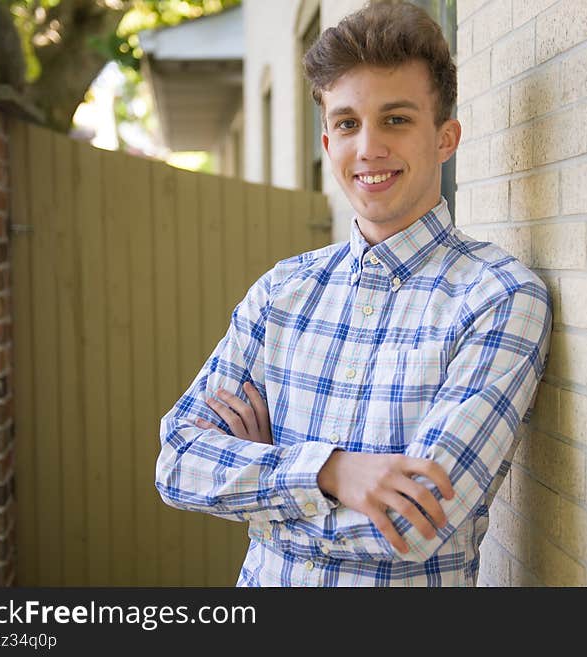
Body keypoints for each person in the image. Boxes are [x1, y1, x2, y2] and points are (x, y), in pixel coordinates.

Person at [155, 0, 552, 587]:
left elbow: (413, 522)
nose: (368, 148)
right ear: (327, 142)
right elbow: (178, 464)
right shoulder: (280, 293)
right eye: (347, 123)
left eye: (395, 120)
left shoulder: (498, 298)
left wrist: (264, 479)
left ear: (446, 139)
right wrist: (330, 472)